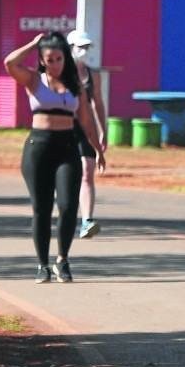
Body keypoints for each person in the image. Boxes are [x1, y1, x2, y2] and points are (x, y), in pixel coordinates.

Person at [4, 31, 105, 283]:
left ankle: (62, 260)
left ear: (65, 58)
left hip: (67, 147)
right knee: (42, 208)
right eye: (49, 60)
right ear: (42, 60)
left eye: (59, 59)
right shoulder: (34, 81)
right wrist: (32, 44)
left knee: (69, 206)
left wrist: (97, 149)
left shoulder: (75, 85)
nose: (55, 64)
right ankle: (42, 264)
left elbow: (86, 121)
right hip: (38, 148)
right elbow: (10, 63)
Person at [66, 30, 108, 239]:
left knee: (87, 170)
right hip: (62, 127)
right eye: (80, 47)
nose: (84, 52)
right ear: (70, 48)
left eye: (86, 48)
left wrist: (103, 131)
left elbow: (97, 103)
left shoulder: (93, 75)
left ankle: (87, 220)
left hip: (84, 127)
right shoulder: (61, 73)